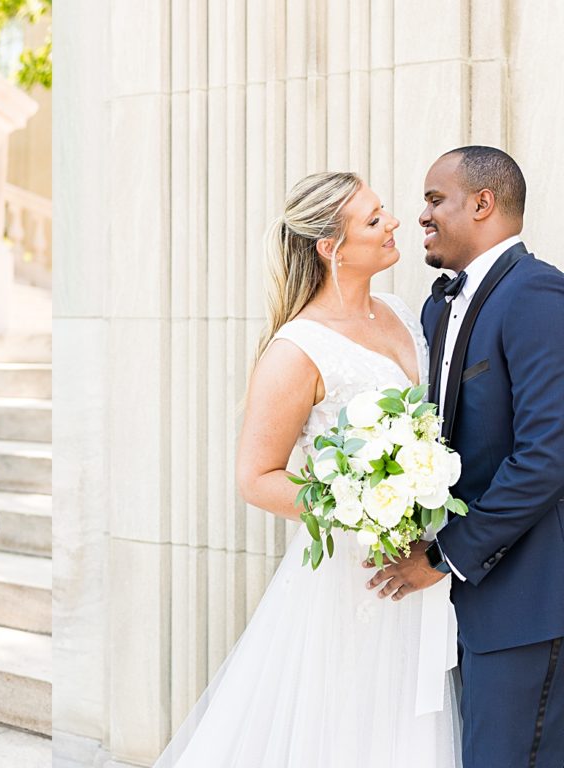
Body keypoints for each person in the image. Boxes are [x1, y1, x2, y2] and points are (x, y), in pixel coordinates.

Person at [153, 172, 458, 767]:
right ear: (331, 247)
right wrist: (367, 503)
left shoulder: (400, 311)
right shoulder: (297, 350)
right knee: (348, 727)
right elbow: (257, 476)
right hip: (353, 574)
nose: (394, 223)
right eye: (374, 220)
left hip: (423, 563)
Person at [368, 146, 564, 768]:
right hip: (460, 607)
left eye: (434, 199)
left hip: (528, 603)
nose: (421, 214)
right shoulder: (435, 306)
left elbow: (547, 454)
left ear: (482, 203)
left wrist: (446, 556)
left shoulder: (537, 295)